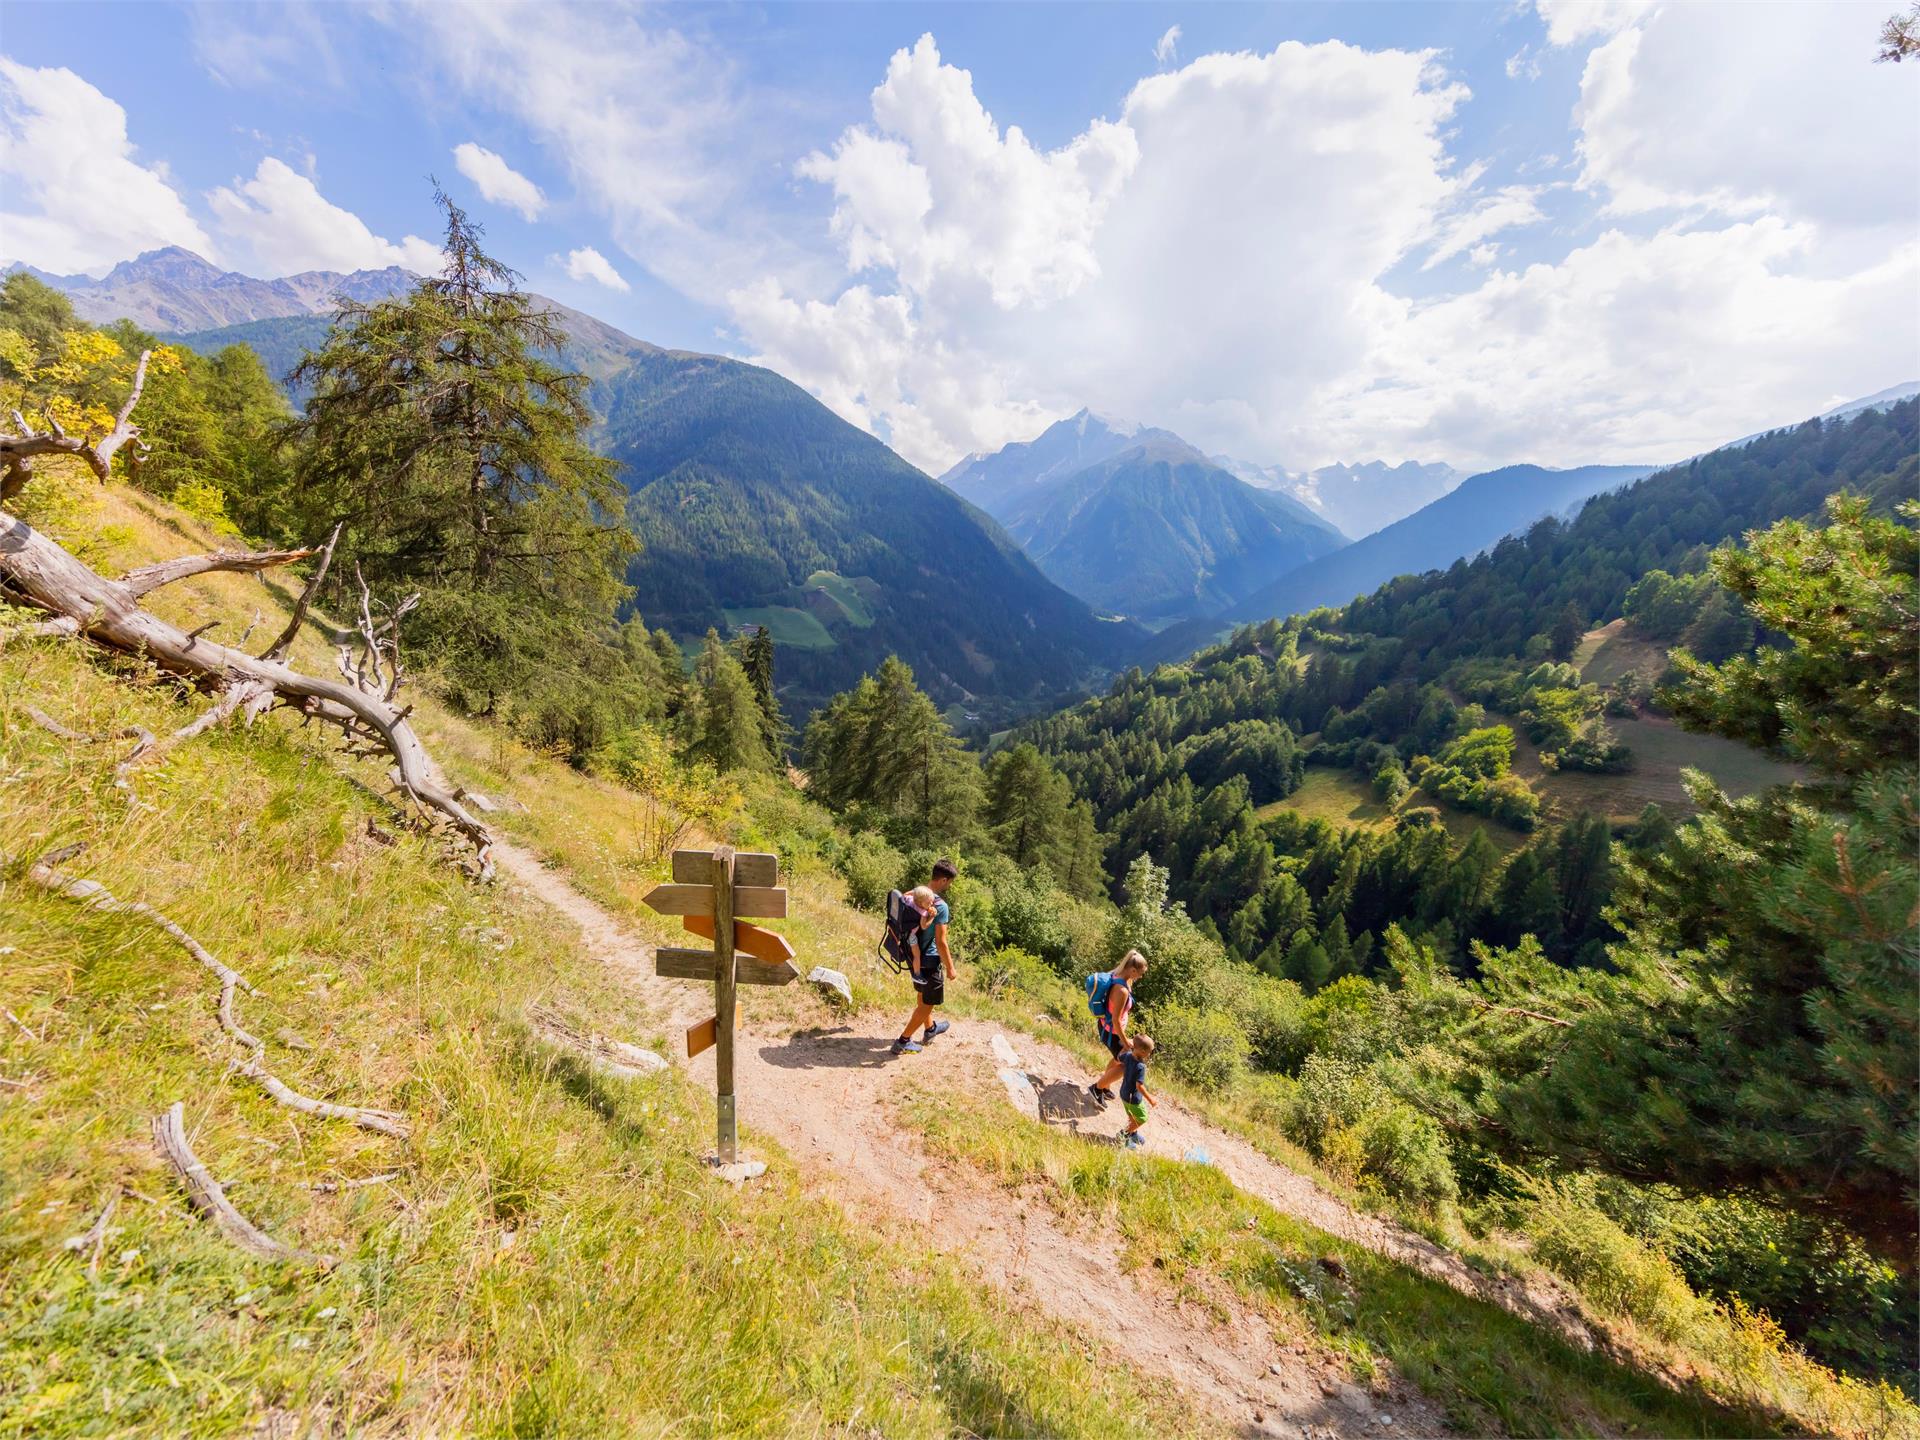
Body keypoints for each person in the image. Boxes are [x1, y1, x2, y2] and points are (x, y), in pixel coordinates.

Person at [891, 858, 958, 1054]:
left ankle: (930, 1029)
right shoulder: (941, 906)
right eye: (950, 882)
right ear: (944, 880)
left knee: (923, 995)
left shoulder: (915, 894)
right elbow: (941, 941)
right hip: (929, 960)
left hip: (913, 955)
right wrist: (951, 968)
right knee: (928, 1003)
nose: (949, 886)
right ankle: (903, 1041)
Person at [1087, 950, 1148, 1105]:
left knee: (1117, 1059)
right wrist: (1125, 1041)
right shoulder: (1121, 991)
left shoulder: (1119, 975)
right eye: (1140, 973)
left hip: (1110, 1029)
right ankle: (1097, 1088)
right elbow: (1115, 1020)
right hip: (1112, 1033)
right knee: (1126, 1065)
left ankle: (1105, 1086)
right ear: (1132, 970)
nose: (1140, 977)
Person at [1118, 1035, 1157, 1149]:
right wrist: (1151, 1100)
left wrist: (1126, 1047)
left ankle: (1132, 1133)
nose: (1149, 1055)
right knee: (1142, 1118)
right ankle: (1124, 1135)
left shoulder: (1128, 1056)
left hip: (1124, 1093)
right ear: (1143, 1051)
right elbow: (1139, 1086)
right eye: (1149, 1052)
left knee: (1132, 1116)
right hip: (1133, 1098)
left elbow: (1119, 1056)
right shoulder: (1141, 1066)